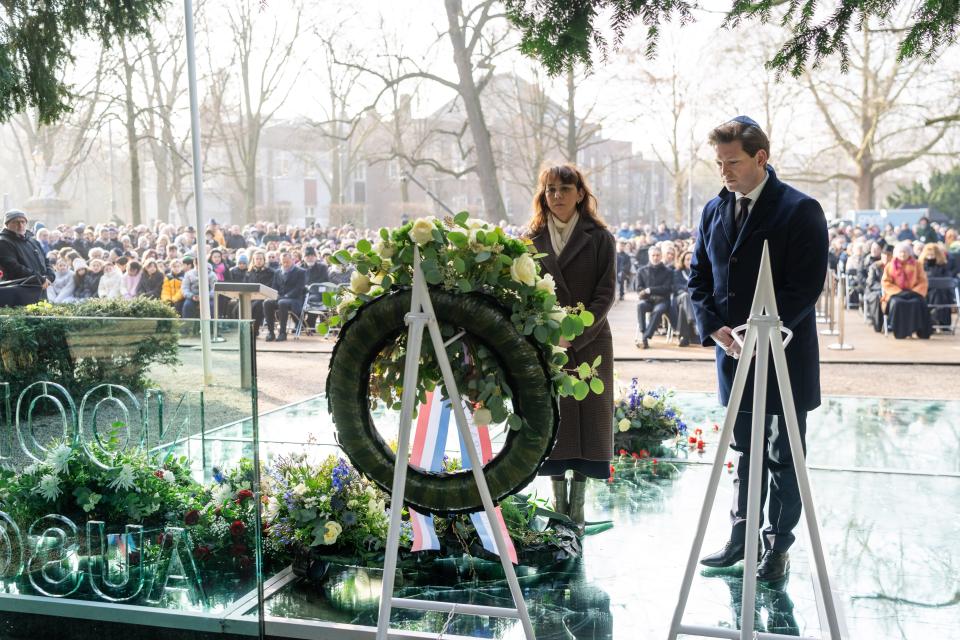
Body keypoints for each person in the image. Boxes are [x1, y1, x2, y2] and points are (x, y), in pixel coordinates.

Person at [688, 116, 828, 582]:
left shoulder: (800, 209)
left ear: (760, 158)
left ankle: (777, 547)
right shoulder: (712, 210)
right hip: (731, 355)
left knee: (784, 454)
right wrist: (715, 329)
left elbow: (805, 287)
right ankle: (739, 537)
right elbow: (699, 280)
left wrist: (756, 330)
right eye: (719, 163)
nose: (724, 172)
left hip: (784, 355)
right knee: (744, 451)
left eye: (733, 162)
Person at [527, 164, 615, 529]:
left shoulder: (600, 237)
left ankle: (577, 510)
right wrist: (550, 335)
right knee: (555, 422)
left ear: (581, 193)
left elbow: (606, 293)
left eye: (565, 188)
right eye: (550, 190)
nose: (557, 196)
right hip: (547, 343)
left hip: (590, 343)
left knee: (587, 425)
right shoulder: (530, 239)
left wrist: (575, 334)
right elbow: (526, 294)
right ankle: (557, 509)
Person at [0, 210, 55, 305]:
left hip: (40, 288)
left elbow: (46, 261)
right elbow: (13, 267)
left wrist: (50, 276)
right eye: (15, 222)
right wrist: (39, 279)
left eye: (23, 222)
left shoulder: (33, 242)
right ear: (7, 224)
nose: (20, 225)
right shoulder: (3, 242)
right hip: (19, 292)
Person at [881, 241, 931, 339]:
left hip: (914, 293)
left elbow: (923, 281)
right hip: (896, 294)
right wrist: (899, 292)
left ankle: (919, 330)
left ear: (909, 253)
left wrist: (914, 291)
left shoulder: (917, 264)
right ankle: (900, 332)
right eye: (900, 252)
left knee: (917, 303)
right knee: (897, 303)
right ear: (896, 253)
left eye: (905, 252)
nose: (903, 254)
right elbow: (886, 282)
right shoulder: (890, 265)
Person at [635, 244, 676, 349]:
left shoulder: (668, 271)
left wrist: (650, 290)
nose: (655, 257)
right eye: (653, 255)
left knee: (658, 310)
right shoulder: (641, 270)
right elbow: (639, 288)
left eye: (658, 255)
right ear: (649, 256)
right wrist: (648, 292)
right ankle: (644, 334)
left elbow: (667, 288)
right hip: (647, 300)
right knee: (640, 306)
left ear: (661, 256)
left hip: (663, 301)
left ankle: (644, 337)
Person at [262, 251, 305, 341]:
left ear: (292, 260)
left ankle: (282, 333)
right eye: (283, 262)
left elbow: (299, 289)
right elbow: (274, 286)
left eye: (287, 262)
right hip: (280, 298)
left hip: (294, 299)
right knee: (267, 302)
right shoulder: (277, 272)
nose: (285, 264)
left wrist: (285, 296)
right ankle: (271, 332)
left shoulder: (300, 272)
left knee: (282, 303)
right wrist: (275, 295)